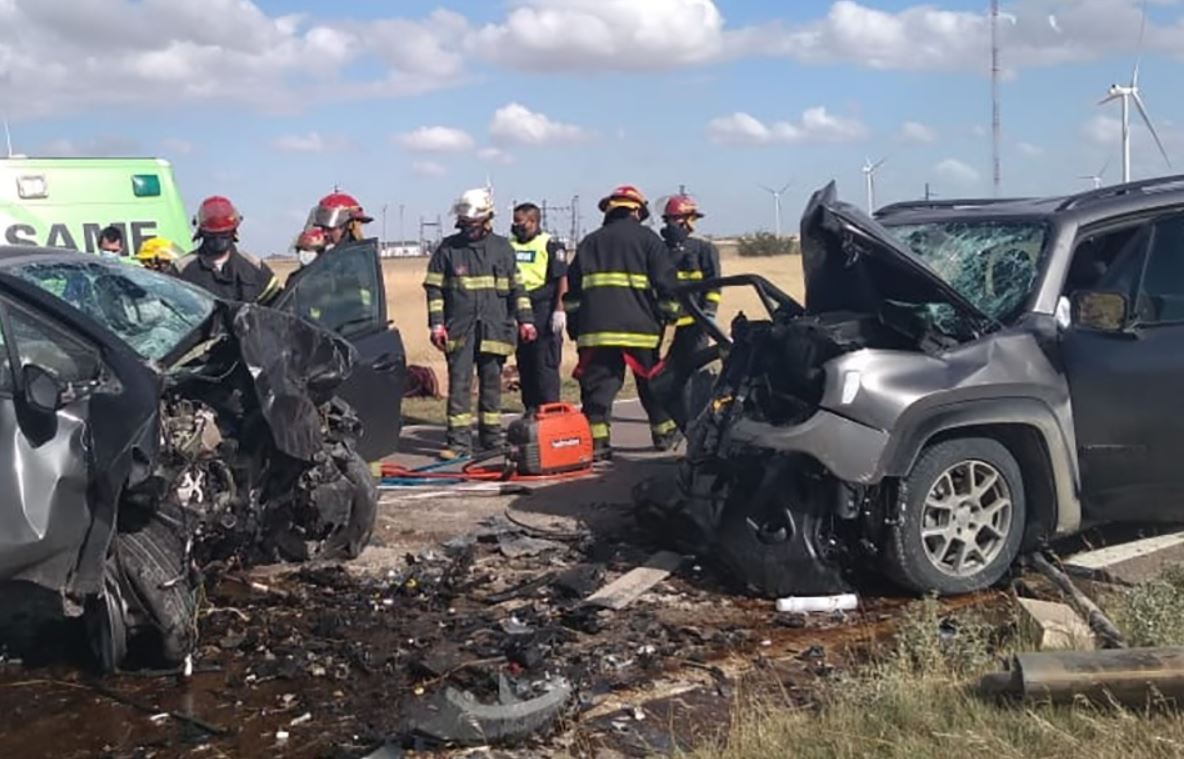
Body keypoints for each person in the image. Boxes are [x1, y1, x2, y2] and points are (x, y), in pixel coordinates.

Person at [563, 185, 680, 460]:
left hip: (596, 332)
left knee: (598, 390)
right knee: (652, 384)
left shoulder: (590, 242)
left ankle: (598, 444)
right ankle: (664, 435)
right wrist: (669, 315)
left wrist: (575, 325)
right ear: (637, 210)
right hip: (640, 331)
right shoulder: (649, 241)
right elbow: (667, 285)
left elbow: (573, 293)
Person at [424, 188, 537, 459]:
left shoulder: (502, 248)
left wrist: (526, 321)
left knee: (491, 386)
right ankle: (458, 444)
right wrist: (437, 325)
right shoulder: (448, 249)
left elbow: (517, 289)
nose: (468, 230)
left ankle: (491, 439)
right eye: (464, 224)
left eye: (472, 224)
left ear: (487, 219)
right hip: (460, 329)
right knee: (460, 385)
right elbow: (434, 290)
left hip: (495, 328)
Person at [509, 202, 569, 415]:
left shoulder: (550, 244)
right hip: (518, 308)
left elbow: (561, 277)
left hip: (544, 309)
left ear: (534, 222)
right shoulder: (510, 245)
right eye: (514, 223)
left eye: (521, 223)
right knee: (525, 364)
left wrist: (559, 309)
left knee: (545, 365)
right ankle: (530, 410)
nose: (516, 227)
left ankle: (550, 411)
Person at [171, 196, 280, 303]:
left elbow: (275, 307)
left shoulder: (255, 267)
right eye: (213, 234)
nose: (218, 239)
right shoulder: (181, 269)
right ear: (202, 232)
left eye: (224, 234)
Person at [660, 194, 721, 370]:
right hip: (666, 321)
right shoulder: (659, 249)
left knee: (695, 366)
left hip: (696, 322)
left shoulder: (704, 249)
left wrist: (708, 312)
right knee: (669, 369)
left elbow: (714, 284)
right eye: (671, 219)